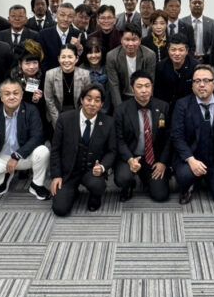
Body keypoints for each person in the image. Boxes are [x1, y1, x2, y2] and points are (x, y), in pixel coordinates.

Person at [0, 79, 50, 198]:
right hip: (0, 158)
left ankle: (36, 185)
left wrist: (17, 156)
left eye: (16, 93)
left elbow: (37, 138)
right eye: (7, 94)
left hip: (23, 156)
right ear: (1, 97)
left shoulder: (31, 110)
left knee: (43, 151)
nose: (12, 97)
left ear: (22, 95)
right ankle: (3, 177)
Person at [171, 65, 214, 205]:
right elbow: (177, 137)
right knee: (184, 176)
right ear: (192, 85)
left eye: (206, 80)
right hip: (191, 159)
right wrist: (191, 160)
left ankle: (206, 179)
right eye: (197, 81)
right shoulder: (182, 105)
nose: (201, 85)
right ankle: (189, 185)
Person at [50, 84, 116, 215]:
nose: (92, 104)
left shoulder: (109, 122)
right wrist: (56, 175)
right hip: (69, 172)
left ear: (102, 104)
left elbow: (112, 151)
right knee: (60, 209)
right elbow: (56, 149)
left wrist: (102, 167)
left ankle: (95, 196)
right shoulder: (65, 119)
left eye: (97, 100)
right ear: (81, 100)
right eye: (88, 99)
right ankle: (73, 191)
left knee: (98, 186)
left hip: (92, 171)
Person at [113, 71, 171, 202]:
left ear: (152, 87)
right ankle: (129, 185)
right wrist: (130, 159)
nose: (144, 90)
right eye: (139, 86)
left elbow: (168, 138)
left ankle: (147, 179)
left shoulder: (163, 107)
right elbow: (119, 140)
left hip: (154, 158)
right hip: (131, 155)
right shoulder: (121, 110)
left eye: (147, 86)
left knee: (160, 196)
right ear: (132, 89)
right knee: (123, 178)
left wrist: (162, 162)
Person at [106, 22, 157, 110]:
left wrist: (145, 105)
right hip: (122, 95)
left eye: (134, 40)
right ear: (121, 40)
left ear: (140, 40)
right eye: (127, 39)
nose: (130, 44)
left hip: (142, 93)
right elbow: (114, 85)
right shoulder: (112, 56)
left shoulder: (149, 55)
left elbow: (149, 83)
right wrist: (120, 109)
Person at [44, 44, 90, 126]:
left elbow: (86, 99)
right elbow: (49, 100)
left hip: (78, 114)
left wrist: (79, 119)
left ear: (76, 59)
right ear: (59, 59)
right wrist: (58, 122)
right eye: (63, 57)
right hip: (56, 114)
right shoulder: (50, 74)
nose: (66, 60)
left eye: (70, 57)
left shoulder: (85, 75)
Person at [153, 34, 198, 112]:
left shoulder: (195, 67)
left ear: (187, 51)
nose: (177, 53)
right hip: (167, 107)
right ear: (168, 50)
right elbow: (158, 93)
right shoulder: (161, 67)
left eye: (181, 50)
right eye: (173, 50)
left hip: (189, 107)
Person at [38, 3, 81, 72]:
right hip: (49, 75)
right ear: (56, 16)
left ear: (73, 18)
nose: (65, 19)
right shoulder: (43, 34)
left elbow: (81, 62)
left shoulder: (78, 34)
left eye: (70, 16)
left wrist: (79, 50)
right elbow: (42, 61)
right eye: (62, 15)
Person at [181, 0, 214, 64]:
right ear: (189, 5)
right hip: (186, 60)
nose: (197, 5)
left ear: (203, 5)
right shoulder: (182, 22)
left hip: (207, 61)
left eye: (199, 3)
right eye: (194, 3)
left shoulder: (212, 23)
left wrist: (205, 56)